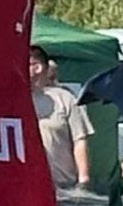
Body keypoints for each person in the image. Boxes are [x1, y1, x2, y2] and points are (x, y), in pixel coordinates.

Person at [29, 45, 93, 190]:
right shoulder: (12, 100)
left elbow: (79, 140)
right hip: (27, 186)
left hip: (62, 186)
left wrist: (83, 180)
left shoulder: (65, 99)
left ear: (38, 67)